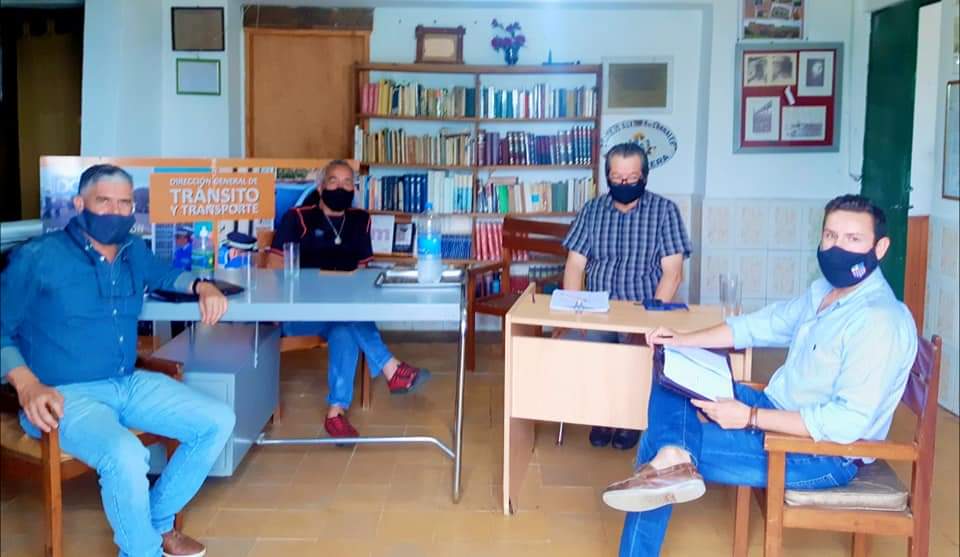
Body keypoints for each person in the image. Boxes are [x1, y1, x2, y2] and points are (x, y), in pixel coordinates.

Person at [603, 194, 918, 556]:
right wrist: (683, 340)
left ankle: (672, 459)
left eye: (853, 239)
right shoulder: (824, 293)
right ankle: (675, 456)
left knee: (656, 444)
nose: (837, 248)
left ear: (880, 248)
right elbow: (760, 325)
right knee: (671, 372)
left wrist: (750, 417)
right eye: (830, 236)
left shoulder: (879, 321)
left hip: (822, 454)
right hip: (777, 408)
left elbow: (846, 423)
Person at [1, 164, 236, 557]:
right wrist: (26, 384)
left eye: (124, 203)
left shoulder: (133, 250)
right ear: (80, 204)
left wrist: (203, 286)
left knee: (217, 420)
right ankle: (142, 551)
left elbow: (166, 276)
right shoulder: (37, 257)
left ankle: (158, 524)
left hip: (127, 382)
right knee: (126, 455)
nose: (115, 211)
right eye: (103, 201)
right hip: (61, 395)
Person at [267, 160, 429, 439]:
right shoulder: (297, 218)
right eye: (333, 181)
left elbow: (363, 273)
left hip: (341, 312)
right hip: (299, 313)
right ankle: (391, 368)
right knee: (347, 315)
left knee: (344, 327)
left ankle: (336, 412)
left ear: (354, 189)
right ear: (321, 187)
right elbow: (274, 268)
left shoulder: (360, 220)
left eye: (347, 183)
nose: (341, 188)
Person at [560, 142, 692, 450]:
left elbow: (673, 273)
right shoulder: (592, 211)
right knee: (588, 355)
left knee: (635, 359)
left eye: (631, 178)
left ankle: (629, 420)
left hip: (642, 310)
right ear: (607, 176)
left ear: (644, 176)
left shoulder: (664, 211)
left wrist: (650, 320)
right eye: (616, 177)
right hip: (598, 309)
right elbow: (575, 265)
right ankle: (602, 416)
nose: (623, 183)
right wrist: (576, 313)